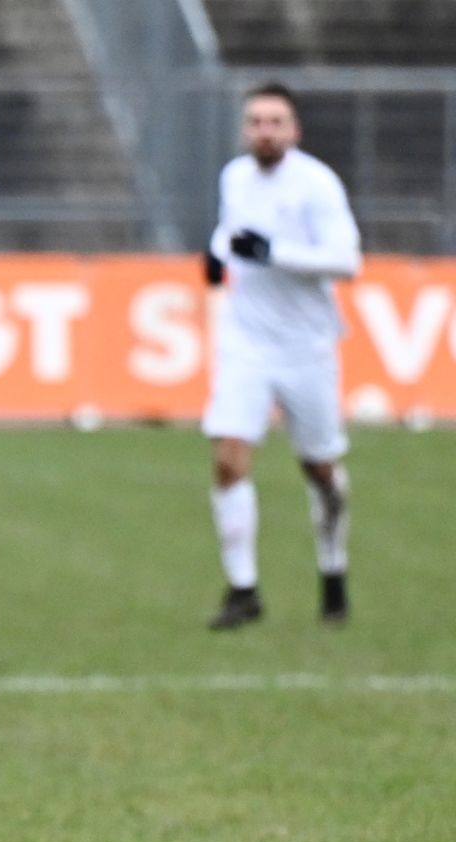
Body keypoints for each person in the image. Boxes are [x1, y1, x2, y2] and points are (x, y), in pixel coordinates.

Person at [201, 82, 361, 630]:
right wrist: (217, 252)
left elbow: (346, 260)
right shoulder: (234, 178)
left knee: (319, 468)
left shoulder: (317, 185)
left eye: (276, 122)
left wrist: (275, 254)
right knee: (227, 458)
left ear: (294, 130)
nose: (264, 131)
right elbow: (232, 233)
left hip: (306, 345)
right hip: (247, 342)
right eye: (256, 122)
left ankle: (333, 567)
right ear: (245, 129)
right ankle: (243, 589)